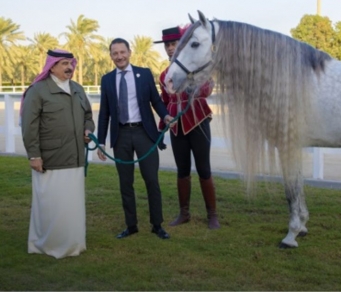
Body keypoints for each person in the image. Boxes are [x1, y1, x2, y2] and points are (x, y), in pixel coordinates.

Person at [21, 49, 95, 259]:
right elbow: (29, 126)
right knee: (50, 206)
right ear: (51, 66)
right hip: (50, 160)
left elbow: (88, 116)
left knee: (72, 207)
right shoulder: (38, 91)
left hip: (76, 158)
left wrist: (88, 129)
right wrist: (34, 155)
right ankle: (46, 245)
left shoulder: (78, 89)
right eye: (63, 63)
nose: (69, 67)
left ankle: (73, 244)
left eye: (70, 63)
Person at [97, 38, 171, 240]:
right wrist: (101, 142)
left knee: (151, 180)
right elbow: (104, 113)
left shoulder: (144, 74)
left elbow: (155, 100)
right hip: (120, 136)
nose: (119, 56)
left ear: (129, 52)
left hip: (143, 133)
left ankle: (157, 225)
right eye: (115, 53)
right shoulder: (107, 80)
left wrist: (165, 115)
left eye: (122, 52)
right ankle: (131, 226)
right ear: (111, 56)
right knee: (125, 183)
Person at [155, 26, 220, 229]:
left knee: (204, 169)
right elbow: (164, 100)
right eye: (167, 45)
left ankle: (212, 215)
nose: (170, 48)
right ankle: (184, 214)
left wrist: (195, 84)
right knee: (182, 170)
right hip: (177, 126)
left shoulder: (197, 66)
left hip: (198, 120)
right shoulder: (165, 74)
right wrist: (162, 121)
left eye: (174, 44)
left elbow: (208, 89)